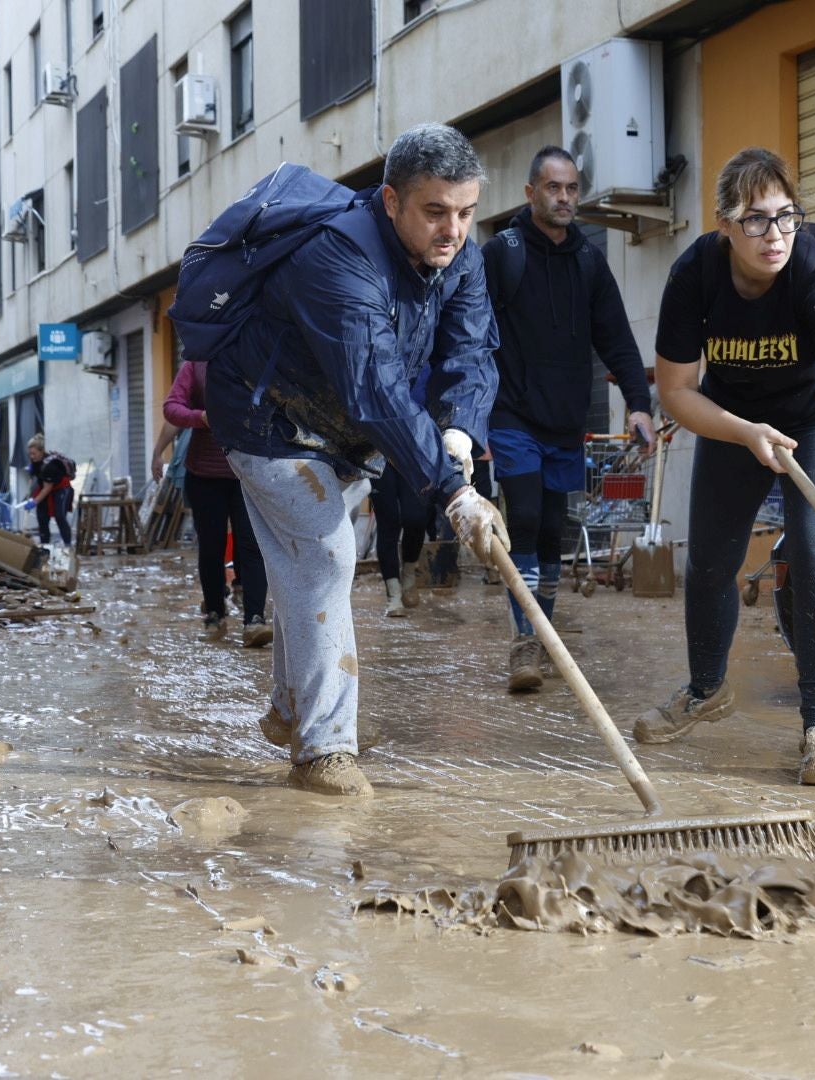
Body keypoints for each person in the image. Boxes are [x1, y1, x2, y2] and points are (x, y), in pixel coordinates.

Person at [198, 123, 504, 798]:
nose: (452, 230)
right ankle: (323, 751)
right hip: (267, 422)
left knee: (311, 569)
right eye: (434, 212)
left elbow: (472, 353)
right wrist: (452, 490)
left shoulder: (461, 257)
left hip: (346, 437)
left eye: (465, 212)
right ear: (391, 201)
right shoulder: (337, 256)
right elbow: (377, 386)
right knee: (329, 555)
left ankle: (287, 708)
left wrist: (459, 434)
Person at [632, 148, 815, 786]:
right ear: (723, 227)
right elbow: (678, 392)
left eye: (786, 216)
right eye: (755, 221)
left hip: (814, 419)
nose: (775, 236)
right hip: (733, 418)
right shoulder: (695, 277)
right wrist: (743, 432)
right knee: (710, 561)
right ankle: (707, 688)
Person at [482, 145, 655, 691]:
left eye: (572, 188)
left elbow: (618, 340)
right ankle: (524, 642)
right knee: (526, 516)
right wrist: (462, 415)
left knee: (554, 529)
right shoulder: (501, 254)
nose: (564, 198)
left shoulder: (588, 261)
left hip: (564, 421)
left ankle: (544, 636)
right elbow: (464, 335)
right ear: (530, 192)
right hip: (511, 415)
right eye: (553, 188)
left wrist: (639, 405)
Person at [158, 359, 272, 647]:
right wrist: (201, 417)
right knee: (212, 547)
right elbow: (172, 407)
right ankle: (215, 615)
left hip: (248, 472)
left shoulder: (255, 358)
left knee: (252, 544)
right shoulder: (195, 365)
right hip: (205, 474)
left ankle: (255, 619)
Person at [370, 466, 432, 617]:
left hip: (410, 456)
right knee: (388, 521)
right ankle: (394, 594)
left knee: (416, 519)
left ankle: (409, 576)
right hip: (380, 457)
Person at [23, 435, 74, 546]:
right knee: (42, 516)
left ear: (42, 452)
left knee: (59, 516)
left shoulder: (49, 466)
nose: (31, 456)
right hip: (47, 488)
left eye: (34, 454)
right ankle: (45, 546)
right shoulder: (36, 462)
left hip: (62, 488)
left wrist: (34, 502)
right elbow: (39, 483)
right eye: (30, 454)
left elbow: (47, 488)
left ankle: (68, 545)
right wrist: (32, 470)